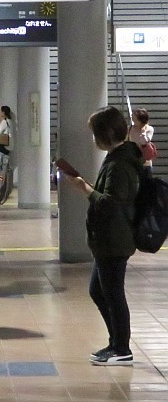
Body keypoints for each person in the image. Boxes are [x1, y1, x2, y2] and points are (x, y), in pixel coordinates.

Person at [60, 106, 141, 366]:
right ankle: (116, 342)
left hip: (114, 240)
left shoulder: (119, 163)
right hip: (109, 239)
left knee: (112, 294)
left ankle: (122, 348)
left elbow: (111, 203)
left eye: (95, 133)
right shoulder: (118, 157)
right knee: (99, 291)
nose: (93, 139)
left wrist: (83, 187)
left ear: (106, 133)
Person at [128, 108, 155, 177]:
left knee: (146, 183)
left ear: (141, 120)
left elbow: (144, 142)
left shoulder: (149, 129)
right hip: (133, 159)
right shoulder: (130, 128)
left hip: (145, 161)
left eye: (135, 118)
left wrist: (143, 131)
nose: (133, 119)